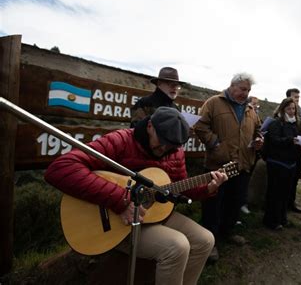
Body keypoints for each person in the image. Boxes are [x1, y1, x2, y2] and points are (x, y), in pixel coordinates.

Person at [45, 107, 228, 285]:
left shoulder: (175, 152)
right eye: (161, 140)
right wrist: (121, 200)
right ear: (150, 126)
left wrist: (208, 189)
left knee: (205, 240)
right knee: (177, 247)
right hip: (116, 221)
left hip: (152, 215)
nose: (164, 148)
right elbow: (60, 168)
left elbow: (179, 188)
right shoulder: (121, 140)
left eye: (171, 145)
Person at [194, 73, 263, 261]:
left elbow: (258, 130)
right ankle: (209, 242)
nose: (246, 93)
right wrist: (215, 143)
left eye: (248, 90)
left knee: (235, 201)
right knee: (213, 205)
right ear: (232, 86)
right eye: (242, 89)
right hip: (218, 165)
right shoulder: (214, 102)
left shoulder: (250, 109)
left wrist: (259, 141)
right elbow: (200, 126)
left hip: (242, 165)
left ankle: (228, 231)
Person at [262, 97, 301, 230]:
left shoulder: (295, 124)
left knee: (286, 193)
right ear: (283, 109)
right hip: (277, 163)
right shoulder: (276, 123)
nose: (291, 111)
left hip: (290, 163)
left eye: (293, 108)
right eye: (289, 108)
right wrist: (291, 140)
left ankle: (282, 219)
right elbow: (274, 140)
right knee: (274, 193)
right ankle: (271, 220)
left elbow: (295, 140)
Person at [285, 88, 301, 213]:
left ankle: (291, 202)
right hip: (284, 152)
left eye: (298, 97)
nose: (297, 100)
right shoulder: (281, 111)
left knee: (295, 178)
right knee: (283, 180)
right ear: (288, 98)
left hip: (299, 152)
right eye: (295, 97)